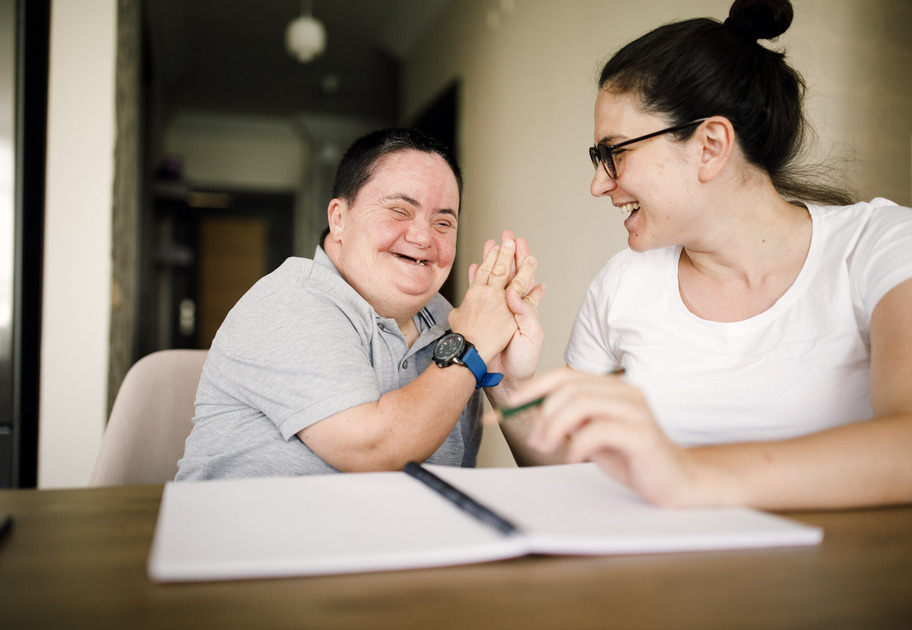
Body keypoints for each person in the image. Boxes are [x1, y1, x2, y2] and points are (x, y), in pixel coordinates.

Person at [502, 0, 912, 510]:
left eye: (615, 152)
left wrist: (688, 476)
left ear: (711, 145)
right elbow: (578, 475)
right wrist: (507, 381)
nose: (598, 183)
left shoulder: (882, 246)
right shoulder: (620, 285)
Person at [176, 128, 545, 480]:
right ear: (339, 219)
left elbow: (468, 485)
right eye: (399, 210)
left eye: (444, 223)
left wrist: (504, 383)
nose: (422, 237)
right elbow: (375, 450)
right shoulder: (292, 300)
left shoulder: (453, 325)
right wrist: (470, 347)